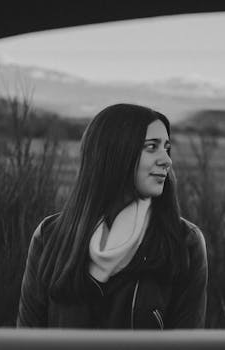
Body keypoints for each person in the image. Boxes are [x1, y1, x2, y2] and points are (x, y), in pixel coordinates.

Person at [16, 103, 207, 329]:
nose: (167, 160)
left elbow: (186, 343)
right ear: (115, 152)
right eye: (152, 147)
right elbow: (28, 336)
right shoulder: (50, 236)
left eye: (166, 148)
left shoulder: (184, 242)